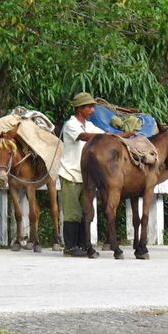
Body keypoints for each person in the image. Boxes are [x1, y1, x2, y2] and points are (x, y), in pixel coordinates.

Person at [58, 92, 106, 257]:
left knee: (84, 211)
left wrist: (117, 135)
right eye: (89, 106)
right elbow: (85, 137)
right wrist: (108, 136)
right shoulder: (71, 125)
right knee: (72, 212)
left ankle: (82, 245)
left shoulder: (88, 124)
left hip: (84, 175)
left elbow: (102, 134)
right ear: (79, 108)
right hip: (70, 173)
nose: (93, 109)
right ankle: (70, 248)